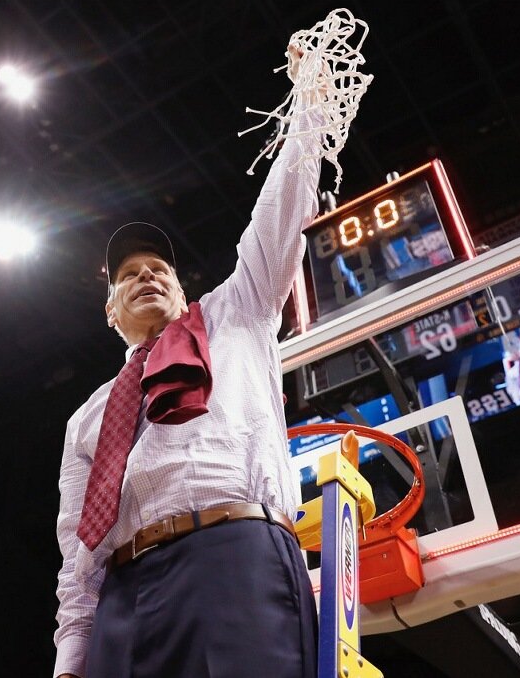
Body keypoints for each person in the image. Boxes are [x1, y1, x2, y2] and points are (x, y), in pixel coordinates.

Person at [52, 48, 329, 678]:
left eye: (159, 269)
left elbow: (278, 216)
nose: (145, 275)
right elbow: (78, 548)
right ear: (109, 310)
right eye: (127, 275)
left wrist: (309, 102)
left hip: (233, 556)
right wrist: (71, 657)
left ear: (182, 292)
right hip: (124, 594)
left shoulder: (237, 312)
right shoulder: (87, 418)